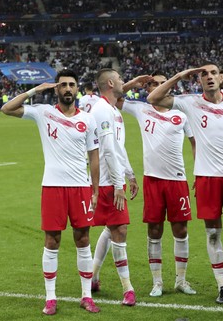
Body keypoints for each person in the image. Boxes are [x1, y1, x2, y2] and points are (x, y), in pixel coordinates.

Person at [147, 61, 223, 304]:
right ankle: (222, 286)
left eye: (214, 73)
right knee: (213, 233)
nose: (209, 77)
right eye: (204, 74)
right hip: (207, 178)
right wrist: (180, 74)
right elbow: (153, 97)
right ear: (199, 80)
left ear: (220, 76)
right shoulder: (190, 102)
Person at [0, 69, 101, 315]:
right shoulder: (43, 113)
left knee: (83, 240)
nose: (68, 88)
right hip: (53, 187)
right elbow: (7, 109)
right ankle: (51, 298)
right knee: (52, 241)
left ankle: (86, 296)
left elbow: (94, 158)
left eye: (72, 85)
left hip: (80, 188)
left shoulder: (88, 119)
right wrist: (35, 90)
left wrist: (95, 191)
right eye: (63, 85)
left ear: (77, 89)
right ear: (56, 89)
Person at [120, 71, 198, 297]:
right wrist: (133, 82)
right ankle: (157, 282)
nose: (160, 87)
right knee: (154, 230)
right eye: (155, 84)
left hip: (177, 180)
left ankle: (181, 280)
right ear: (147, 88)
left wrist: (199, 173)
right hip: (153, 180)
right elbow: (112, 98)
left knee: (181, 229)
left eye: (163, 83)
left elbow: (195, 144)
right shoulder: (140, 108)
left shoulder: (181, 114)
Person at [89, 68, 139, 306]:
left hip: (114, 178)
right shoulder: (101, 110)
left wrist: (130, 174)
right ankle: (127, 289)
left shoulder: (111, 110)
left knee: (112, 229)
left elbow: (118, 147)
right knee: (119, 231)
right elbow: (107, 149)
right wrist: (119, 184)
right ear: (110, 83)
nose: (123, 82)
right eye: (120, 79)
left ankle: (93, 277)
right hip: (108, 182)